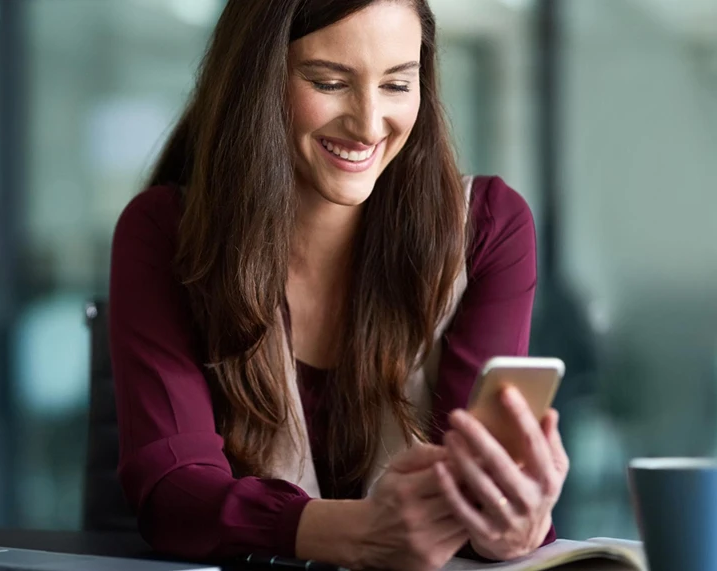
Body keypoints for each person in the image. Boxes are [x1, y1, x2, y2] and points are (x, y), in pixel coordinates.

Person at [108, 1, 570, 569]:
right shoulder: (164, 233)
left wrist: (510, 525)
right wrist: (351, 533)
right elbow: (173, 492)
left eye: (398, 84)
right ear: (257, 80)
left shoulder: (488, 228)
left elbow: (470, 493)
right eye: (330, 82)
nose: (369, 123)